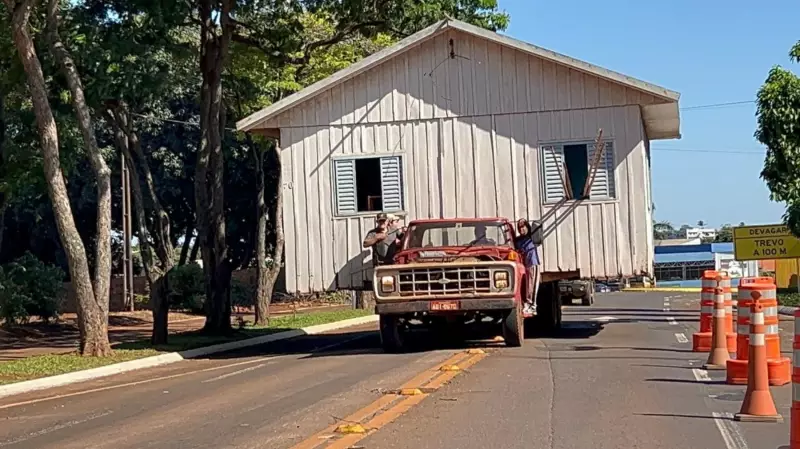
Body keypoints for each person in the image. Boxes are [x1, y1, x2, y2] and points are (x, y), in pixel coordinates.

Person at [514, 218, 540, 315]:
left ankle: (532, 306)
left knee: (532, 285)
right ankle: (527, 304)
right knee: (527, 286)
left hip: (533, 263)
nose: (522, 230)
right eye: (520, 228)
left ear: (527, 227)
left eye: (523, 227)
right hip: (524, 265)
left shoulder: (532, 237)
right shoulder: (518, 240)